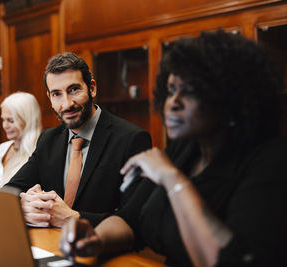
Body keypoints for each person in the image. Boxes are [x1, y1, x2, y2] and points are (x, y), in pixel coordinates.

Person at [60, 30, 287, 267]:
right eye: (171, 91)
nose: (173, 103)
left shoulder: (272, 161)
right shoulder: (184, 151)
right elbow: (129, 220)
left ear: (231, 100)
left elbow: (233, 260)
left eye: (188, 92)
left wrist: (172, 179)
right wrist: (95, 239)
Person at [6, 52, 152, 228]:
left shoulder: (132, 140)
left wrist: (73, 218)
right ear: (49, 98)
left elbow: (135, 220)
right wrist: (25, 205)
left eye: (73, 90)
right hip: (51, 245)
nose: (67, 104)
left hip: (102, 248)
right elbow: (8, 192)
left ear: (92, 88)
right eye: (57, 94)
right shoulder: (47, 139)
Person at [0, 92, 42, 188]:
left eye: (11, 121)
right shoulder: (3, 148)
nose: (5, 126)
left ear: (28, 121)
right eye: (3, 120)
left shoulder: (38, 152)